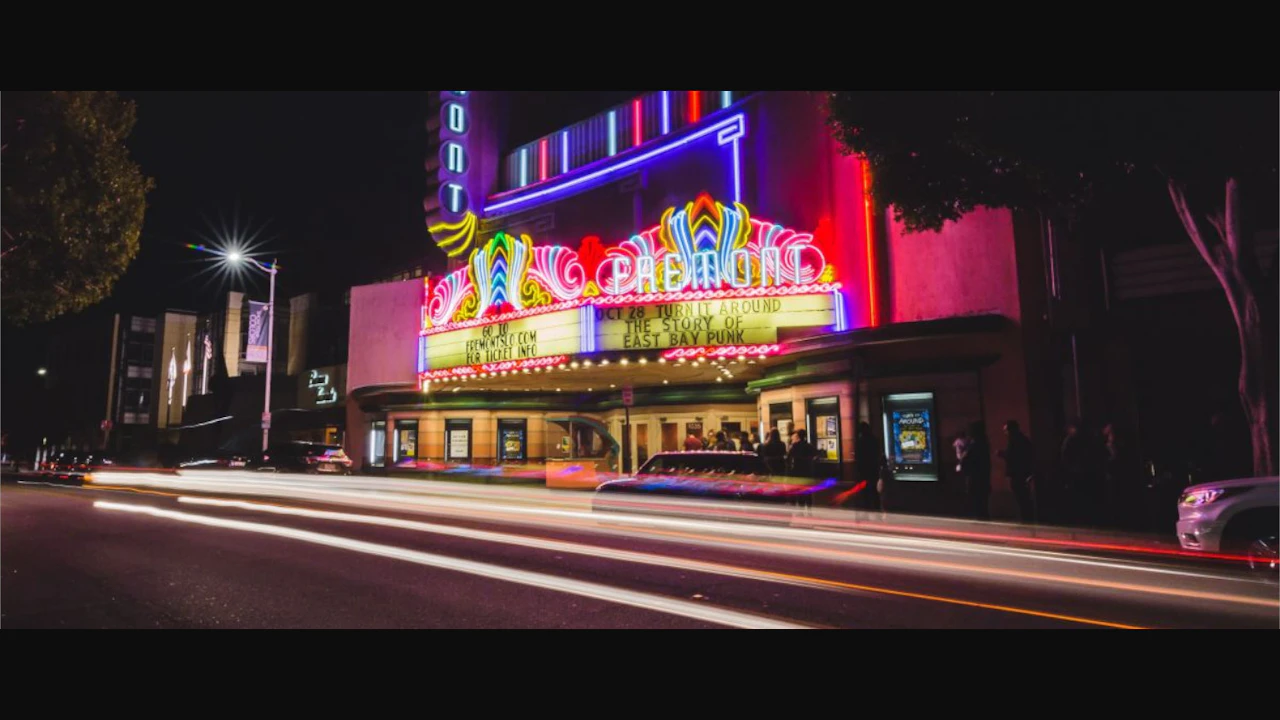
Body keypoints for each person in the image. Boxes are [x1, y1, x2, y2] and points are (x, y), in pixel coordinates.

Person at [1000, 420, 1035, 523]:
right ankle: (1027, 518)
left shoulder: (1015, 441)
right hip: (1023, 473)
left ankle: (1026, 519)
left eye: (1006, 430)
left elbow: (1013, 456)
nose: (1005, 433)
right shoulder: (1022, 440)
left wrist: (1002, 454)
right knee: (1023, 497)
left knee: (1022, 497)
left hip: (1019, 474)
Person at [960, 421, 991, 520]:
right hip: (983, 478)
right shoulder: (983, 443)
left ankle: (980, 519)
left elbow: (966, 459)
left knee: (977, 502)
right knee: (982, 502)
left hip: (975, 478)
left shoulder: (974, 445)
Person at [854, 422, 884, 514]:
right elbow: (878, 454)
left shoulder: (860, 441)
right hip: (873, 468)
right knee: (874, 490)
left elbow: (858, 457)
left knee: (865, 491)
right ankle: (876, 507)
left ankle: (867, 507)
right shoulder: (874, 440)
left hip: (864, 470)